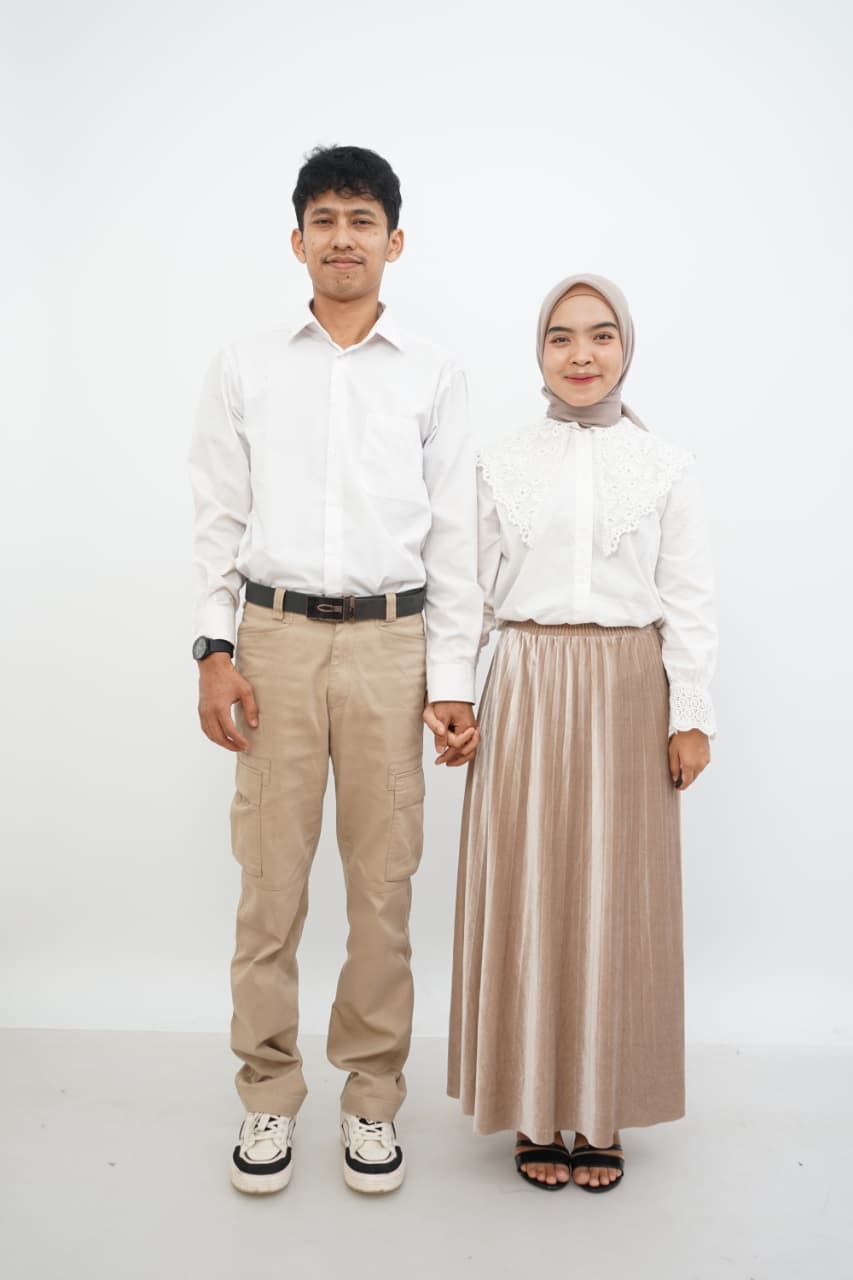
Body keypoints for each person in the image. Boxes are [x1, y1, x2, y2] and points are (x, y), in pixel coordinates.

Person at [189, 145, 481, 1195]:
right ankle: (267, 1091)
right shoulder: (244, 364)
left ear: (394, 241)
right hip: (271, 640)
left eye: (362, 220)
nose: (343, 237)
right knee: (268, 886)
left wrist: (452, 680)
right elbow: (216, 520)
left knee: (382, 888)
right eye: (325, 219)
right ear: (297, 239)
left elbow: (454, 537)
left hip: (391, 647)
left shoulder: (433, 373)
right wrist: (214, 648)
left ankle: (371, 1099)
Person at [428, 273, 716, 1192]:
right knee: (529, 890)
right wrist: (453, 693)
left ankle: (600, 1111)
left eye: (599, 335)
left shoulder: (664, 465)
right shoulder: (499, 461)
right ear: (539, 351)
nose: (580, 354)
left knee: (616, 896)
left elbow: (688, 600)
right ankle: (533, 1107)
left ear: (625, 346)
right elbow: (463, 591)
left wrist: (691, 715)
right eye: (560, 337)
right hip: (525, 683)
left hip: (630, 688)